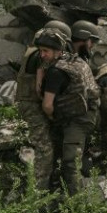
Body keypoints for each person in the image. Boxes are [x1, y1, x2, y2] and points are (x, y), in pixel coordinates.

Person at [37, 29, 100, 195]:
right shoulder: (74, 60)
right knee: (74, 155)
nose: (42, 55)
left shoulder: (55, 72)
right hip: (90, 114)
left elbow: (47, 105)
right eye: (40, 51)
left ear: (58, 52)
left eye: (46, 51)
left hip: (77, 120)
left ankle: (76, 203)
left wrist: (51, 118)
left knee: (71, 161)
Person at [15, 21, 72, 191]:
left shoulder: (34, 51)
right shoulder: (41, 56)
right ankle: (38, 193)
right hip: (32, 104)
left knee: (50, 143)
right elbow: (41, 90)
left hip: (29, 103)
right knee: (44, 149)